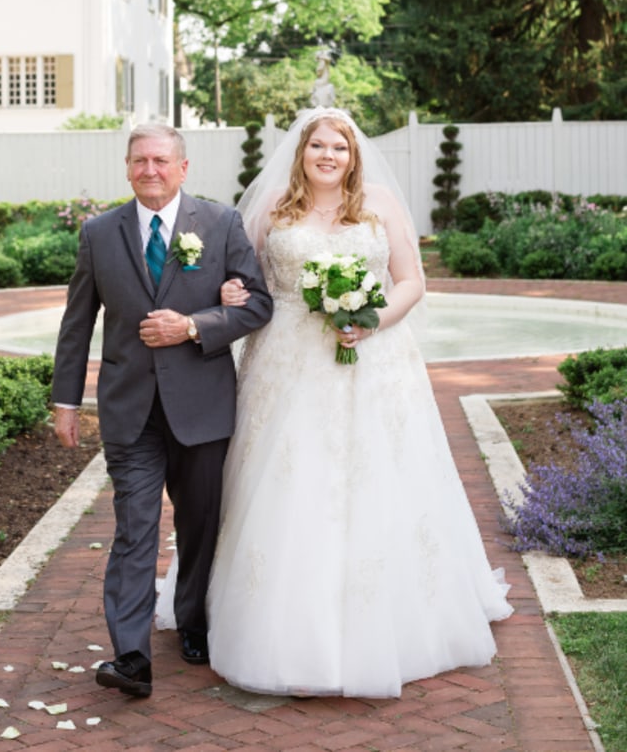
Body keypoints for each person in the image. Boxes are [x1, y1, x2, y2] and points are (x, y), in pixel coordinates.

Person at [203, 107, 513, 698]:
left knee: (378, 477)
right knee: (291, 482)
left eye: (338, 147)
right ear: (301, 152)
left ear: (353, 155)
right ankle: (279, 620)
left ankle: (397, 617)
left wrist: (371, 321)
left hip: (376, 362)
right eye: (317, 145)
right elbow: (243, 283)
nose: (327, 155)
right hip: (288, 363)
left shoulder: (380, 206)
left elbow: (412, 282)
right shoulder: (273, 211)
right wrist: (229, 291)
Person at [51, 122, 272, 699]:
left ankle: (193, 621)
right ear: (127, 168)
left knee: (200, 525)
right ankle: (130, 656)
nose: (150, 169)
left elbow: (260, 305)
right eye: (139, 160)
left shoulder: (220, 223)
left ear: (183, 167)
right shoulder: (100, 233)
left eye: (160, 160)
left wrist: (195, 325)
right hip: (130, 411)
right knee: (134, 530)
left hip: (202, 407)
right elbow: (78, 323)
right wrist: (66, 400)